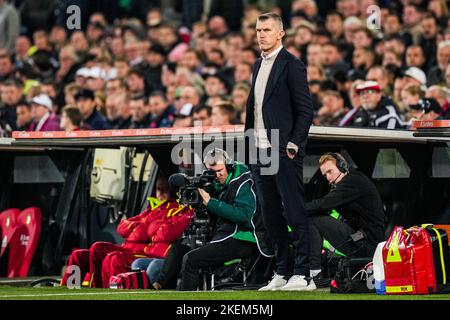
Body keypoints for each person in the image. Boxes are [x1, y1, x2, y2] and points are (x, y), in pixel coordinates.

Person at [244, 12, 315, 291]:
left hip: (282, 150)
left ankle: (304, 273)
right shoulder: (256, 65)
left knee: (294, 211)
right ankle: (283, 271)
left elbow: (305, 110)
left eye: (267, 29)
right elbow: (254, 110)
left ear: (280, 34)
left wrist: (294, 144)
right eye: (258, 29)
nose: (261, 34)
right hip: (259, 150)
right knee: (270, 213)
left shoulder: (292, 65)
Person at [61, 177, 194, 288]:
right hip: (129, 248)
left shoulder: (179, 209)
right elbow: (122, 227)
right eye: (158, 189)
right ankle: (74, 288)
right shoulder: (152, 209)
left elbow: (163, 235)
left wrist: (141, 228)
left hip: (147, 253)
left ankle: (109, 291)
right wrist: (146, 228)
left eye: (164, 189)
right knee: (89, 250)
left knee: (114, 258)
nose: (160, 193)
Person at [178, 148, 261, 291]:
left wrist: (211, 202)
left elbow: (244, 216)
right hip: (229, 234)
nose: (217, 175)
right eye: (212, 172)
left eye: (220, 170)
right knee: (180, 251)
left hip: (245, 237)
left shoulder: (243, 181)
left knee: (191, 260)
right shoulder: (214, 183)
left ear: (228, 165)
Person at [306, 153, 386, 284]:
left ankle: (315, 273)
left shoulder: (353, 181)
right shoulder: (349, 182)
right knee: (315, 214)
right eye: (325, 175)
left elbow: (324, 203)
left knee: (314, 218)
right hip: (362, 240)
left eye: (330, 171)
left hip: (367, 244)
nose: (328, 178)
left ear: (342, 166)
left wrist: (294, 210)